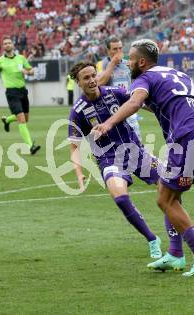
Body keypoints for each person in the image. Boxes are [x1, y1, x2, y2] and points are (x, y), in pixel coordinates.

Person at [93, 39, 194, 277]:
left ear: (142, 62)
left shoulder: (144, 78)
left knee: (165, 200)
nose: (128, 64)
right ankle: (175, 255)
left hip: (186, 139)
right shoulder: (177, 75)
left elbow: (135, 102)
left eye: (132, 60)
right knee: (168, 192)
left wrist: (108, 122)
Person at [68, 61, 162, 259]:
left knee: (169, 187)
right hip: (109, 159)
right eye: (86, 78)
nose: (92, 80)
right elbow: (74, 148)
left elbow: (141, 103)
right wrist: (79, 173)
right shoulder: (77, 111)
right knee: (120, 196)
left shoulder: (114, 92)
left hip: (136, 152)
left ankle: (181, 234)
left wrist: (166, 108)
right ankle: (152, 239)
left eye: (93, 75)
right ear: (78, 82)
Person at [0, 35, 40, 154]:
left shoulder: (21, 58)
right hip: (11, 92)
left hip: (22, 91)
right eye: (5, 43)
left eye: (9, 43)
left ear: (13, 45)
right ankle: (30, 146)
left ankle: (7, 120)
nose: (7, 45)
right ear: (2, 47)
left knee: (25, 118)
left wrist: (27, 71)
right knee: (21, 119)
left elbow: (32, 71)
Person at [96, 37, 141, 139]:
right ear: (108, 51)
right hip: (110, 112)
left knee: (137, 144)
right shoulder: (101, 64)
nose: (118, 51)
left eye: (120, 48)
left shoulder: (127, 64)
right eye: (115, 49)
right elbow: (99, 83)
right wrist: (112, 63)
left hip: (128, 110)